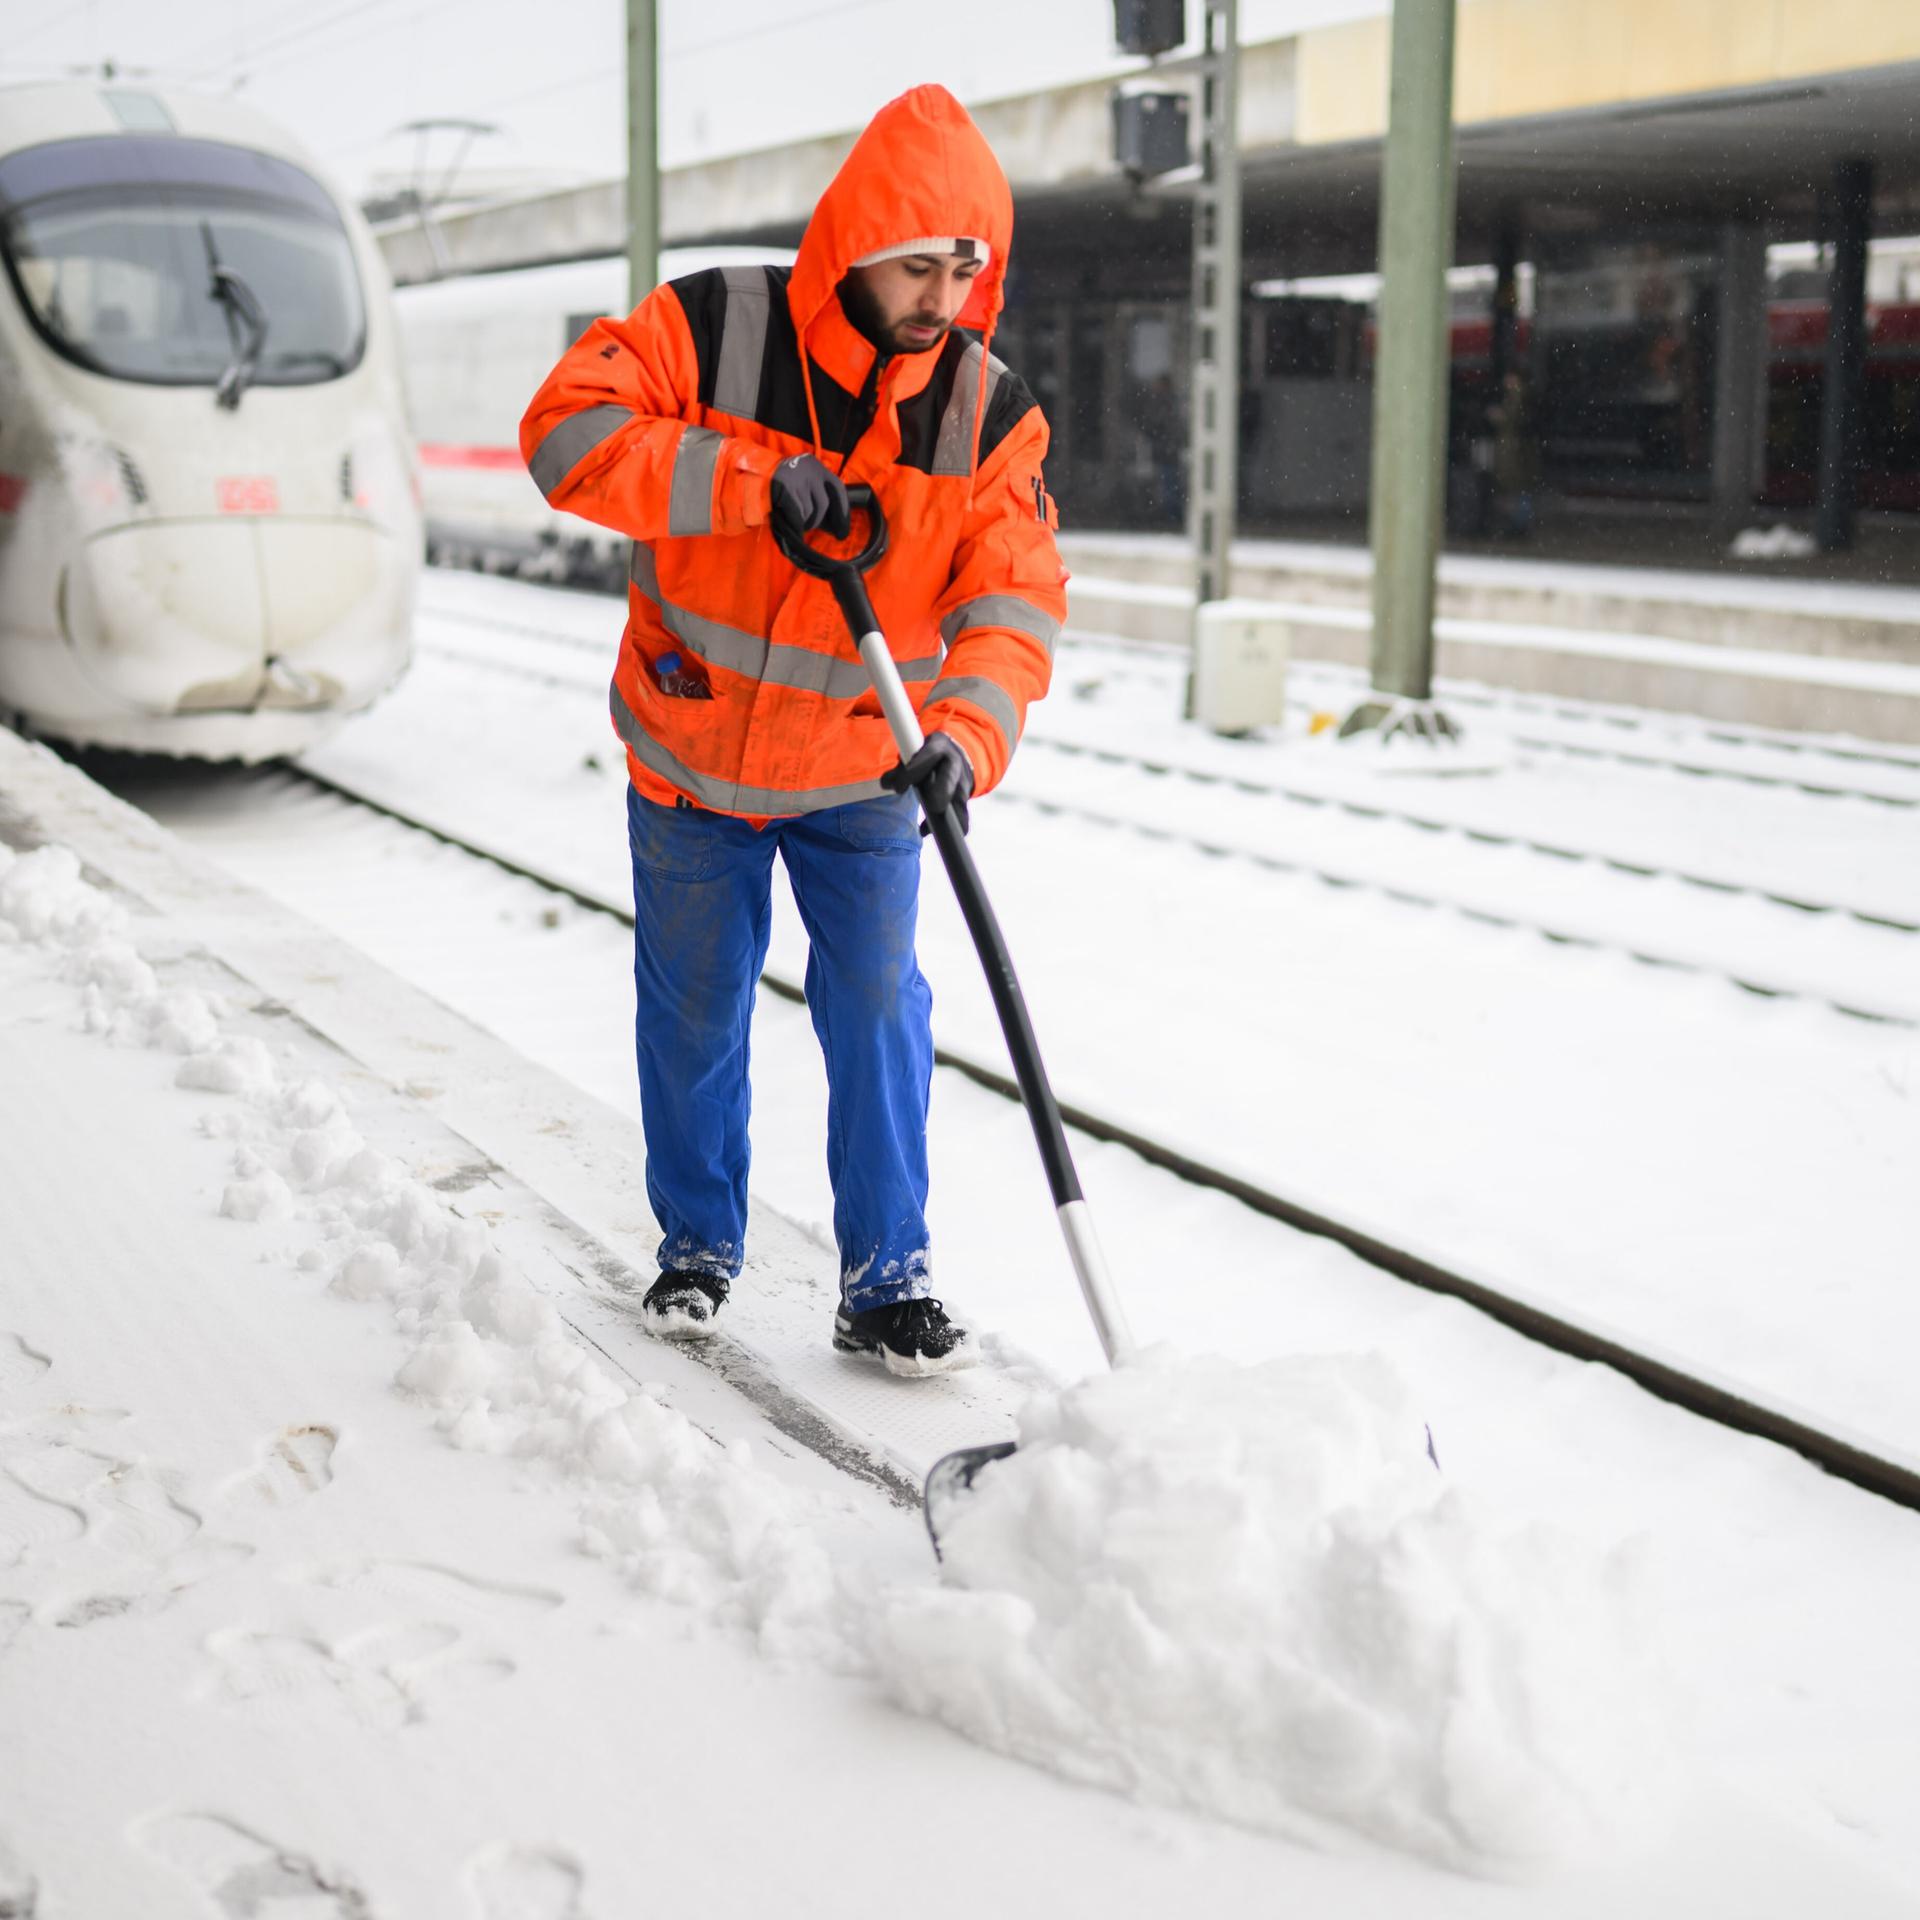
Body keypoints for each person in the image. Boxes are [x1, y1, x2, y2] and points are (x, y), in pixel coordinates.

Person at [519, 85, 1065, 1377]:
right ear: (855, 244)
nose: (940, 294)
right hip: (694, 756)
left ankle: (888, 1276)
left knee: (877, 1006)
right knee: (697, 1006)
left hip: (870, 769)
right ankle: (698, 1245)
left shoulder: (987, 414)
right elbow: (566, 434)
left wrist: (964, 743)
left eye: (961, 267)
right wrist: (748, 480)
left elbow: (1014, 601)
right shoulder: (713, 328)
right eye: (915, 263)